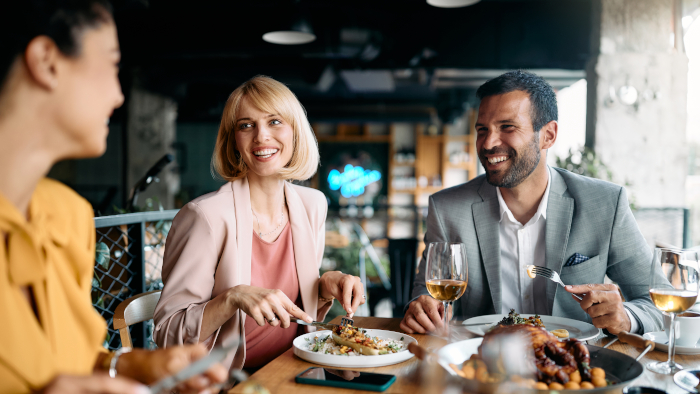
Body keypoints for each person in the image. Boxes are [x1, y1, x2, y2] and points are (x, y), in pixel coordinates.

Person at [0, 1, 227, 393]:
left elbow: (74, 360)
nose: (119, 95)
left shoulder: (67, 216)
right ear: (47, 61)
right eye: (111, 65)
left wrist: (136, 364)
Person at [401, 70, 665, 336]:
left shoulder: (605, 204)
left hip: (573, 363)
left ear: (548, 135)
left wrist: (626, 318)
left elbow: (660, 302)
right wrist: (422, 308)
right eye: (482, 130)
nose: (489, 143)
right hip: (483, 362)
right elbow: (426, 294)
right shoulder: (447, 208)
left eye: (507, 127)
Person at [153, 76, 365, 373]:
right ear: (234, 140)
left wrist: (325, 287)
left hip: (294, 369)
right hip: (226, 383)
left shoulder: (312, 204)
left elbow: (293, 312)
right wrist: (232, 298)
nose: (261, 136)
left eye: (275, 121)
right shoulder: (205, 217)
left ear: (295, 132)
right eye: (246, 125)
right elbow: (166, 336)